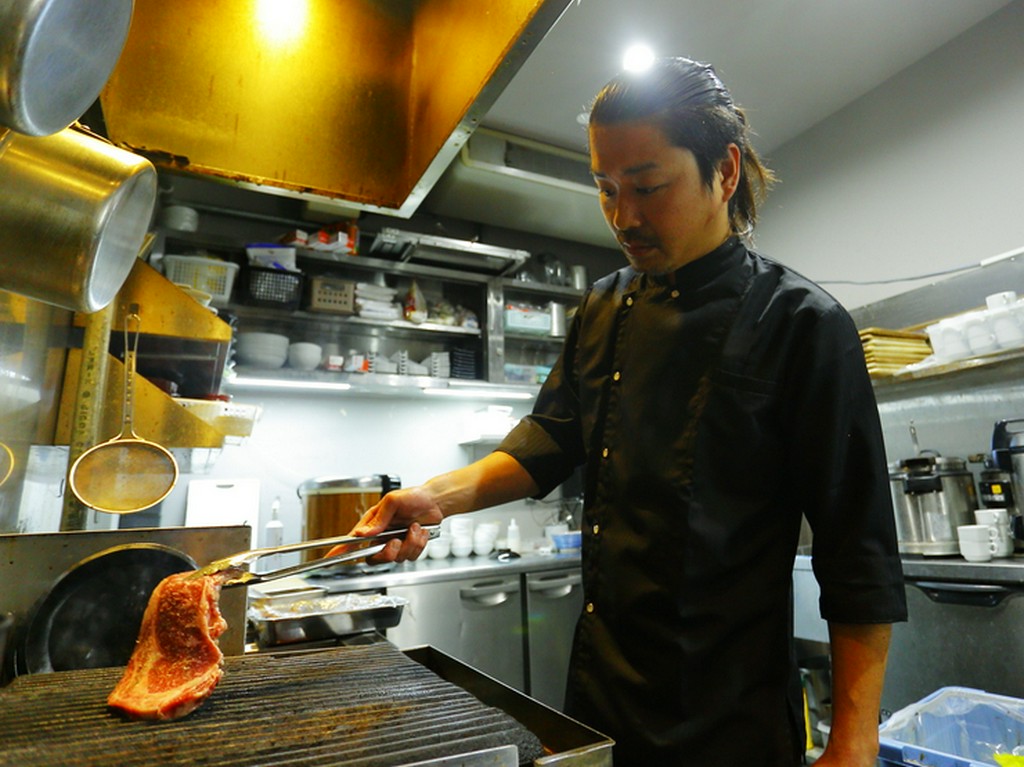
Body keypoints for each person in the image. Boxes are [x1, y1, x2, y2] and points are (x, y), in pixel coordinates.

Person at [343, 57, 907, 766]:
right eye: (606, 189)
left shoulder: (803, 324)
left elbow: (858, 549)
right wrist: (432, 498)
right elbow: (548, 440)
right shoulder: (604, 306)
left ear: (725, 172)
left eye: (647, 186)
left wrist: (855, 739)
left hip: (731, 717)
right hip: (602, 703)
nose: (623, 217)